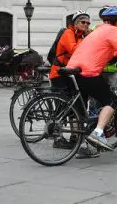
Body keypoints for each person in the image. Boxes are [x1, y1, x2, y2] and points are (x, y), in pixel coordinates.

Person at [67, 7, 117, 151]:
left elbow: (107, 50)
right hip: (89, 72)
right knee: (111, 101)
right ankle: (98, 132)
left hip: (74, 70)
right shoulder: (112, 30)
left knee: (82, 112)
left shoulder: (97, 30)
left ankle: (84, 147)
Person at [49, 12, 89, 151]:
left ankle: (74, 136)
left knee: (74, 106)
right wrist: (87, 39)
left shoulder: (79, 36)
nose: (86, 25)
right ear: (75, 23)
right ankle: (57, 138)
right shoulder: (68, 33)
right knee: (61, 106)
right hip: (58, 74)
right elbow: (74, 50)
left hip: (69, 74)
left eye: (88, 23)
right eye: (83, 22)